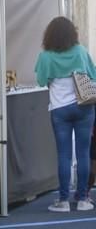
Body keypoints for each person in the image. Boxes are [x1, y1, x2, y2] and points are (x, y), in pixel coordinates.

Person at [35, 16, 96, 212]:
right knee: (83, 153)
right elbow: (93, 75)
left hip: (59, 109)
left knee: (64, 155)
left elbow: (41, 80)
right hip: (83, 106)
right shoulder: (80, 51)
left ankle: (63, 200)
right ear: (73, 33)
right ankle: (83, 199)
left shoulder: (45, 56)